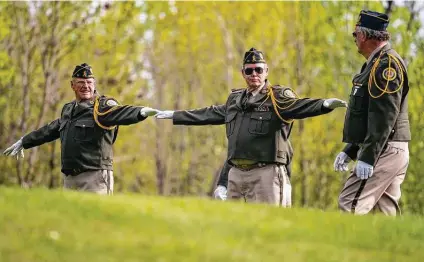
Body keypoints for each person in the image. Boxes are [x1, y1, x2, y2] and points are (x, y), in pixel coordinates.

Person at [155, 47, 347, 206]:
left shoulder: (277, 97)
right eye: (249, 70)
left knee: (271, 227)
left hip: (266, 174)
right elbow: (208, 114)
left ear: (266, 71)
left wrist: (324, 105)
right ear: (243, 73)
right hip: (236, 174)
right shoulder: (236, 100)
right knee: (235, 230)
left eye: (258, 70)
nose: (254, 74)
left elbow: (299, 106)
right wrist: (175, 115)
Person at [3, 63, 159, 195]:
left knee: (96, 224)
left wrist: (141, 112)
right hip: (69, 179)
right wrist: (25, 141)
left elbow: (121, 112)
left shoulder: (102, 107)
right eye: (81, 82)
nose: (86, 86)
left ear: (94, 84)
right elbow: (50, 130)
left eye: (89, 82)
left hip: (95, 177)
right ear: (72, 85)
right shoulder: (68, 110)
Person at [334, 10, 410, 215]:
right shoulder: (375, 62)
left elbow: (384, 117)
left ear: (364, 35)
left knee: (349, 204)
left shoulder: (387, 65)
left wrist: (367, 156)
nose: (354, 39)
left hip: (385, 147)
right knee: (383, 213)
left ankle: (344, 248)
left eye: (355, 34)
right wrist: (351, 150)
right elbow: (370, 116)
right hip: (388, 147)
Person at [214, 124, 294, 203]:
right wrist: (222, 183)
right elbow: (236, 153)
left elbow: (286, 150)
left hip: (269, 177)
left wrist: (286, 182)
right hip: (238, 177)